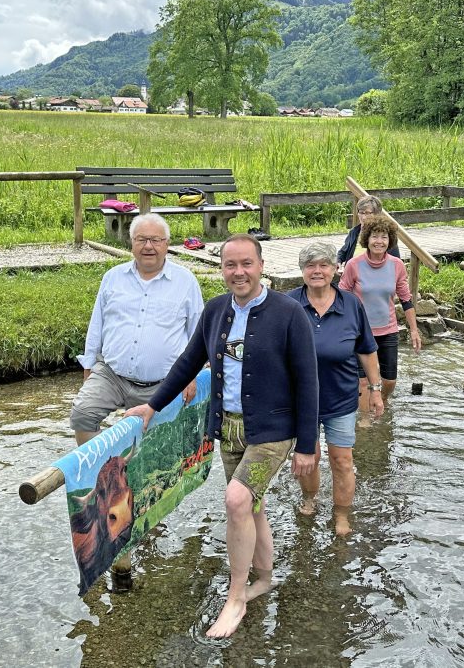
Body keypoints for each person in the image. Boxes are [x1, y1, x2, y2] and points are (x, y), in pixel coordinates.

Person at [126, 233, 319, 639]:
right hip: (229, 428)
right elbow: (187, 362)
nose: (239, 272)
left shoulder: (289, 314)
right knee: (252, 507)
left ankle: (236, 598)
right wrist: (152, 406)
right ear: (222, 270)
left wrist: (306, 445)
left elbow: (308, 382)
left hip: (273, 429)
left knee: (236, 499)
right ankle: (264, 578)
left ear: (261, 265)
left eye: (246, 264)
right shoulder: (216, 311)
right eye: (230, 265)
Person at [70, 213, 202, 445]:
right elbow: (97, 323)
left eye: (156, 240)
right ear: (131, 243)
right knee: (83, 414)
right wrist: (88, 365)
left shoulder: (185, 281)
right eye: (141, 239)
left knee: (161, 442)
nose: (148, 246)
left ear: (167, 244)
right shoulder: (113, 278)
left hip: (165, 381)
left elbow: (198, 333)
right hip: (112, 374)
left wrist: (192, 375)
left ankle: (138, 470)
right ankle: (104, 473)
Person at [286, 242, 384, 537]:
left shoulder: (351, 304)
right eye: (310, 266)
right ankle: (309, 498)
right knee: (308, 457)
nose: (317, 271)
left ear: (335, 269)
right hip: (300, 400)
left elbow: (367, 350)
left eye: (324, 265)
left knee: (342, 460)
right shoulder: (288, 305)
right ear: (302, 271)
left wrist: (376, 390)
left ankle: (341, 514)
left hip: (340, 397)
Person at [340, 213, 421, 411]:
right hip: (360, 333)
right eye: (375, 236)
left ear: (390, 240)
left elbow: (406, 299)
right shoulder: (354, 265)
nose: (379, 241)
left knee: (389, 381)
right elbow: (342, 298)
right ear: (366, 239)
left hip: (388, 331)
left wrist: (413, 330)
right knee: (363, 382)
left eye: (384, 237)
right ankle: (366, 423)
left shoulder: (397, 265)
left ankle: (381, 403)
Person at [337, 195, 401, 268]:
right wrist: (338, 261)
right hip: (352, 272)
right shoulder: (354, 232)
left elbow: (396, 264)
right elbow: (343, 251)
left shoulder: (386, 236)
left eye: (367, 213)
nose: (363, 217)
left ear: (377, 214)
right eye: (361, 213)